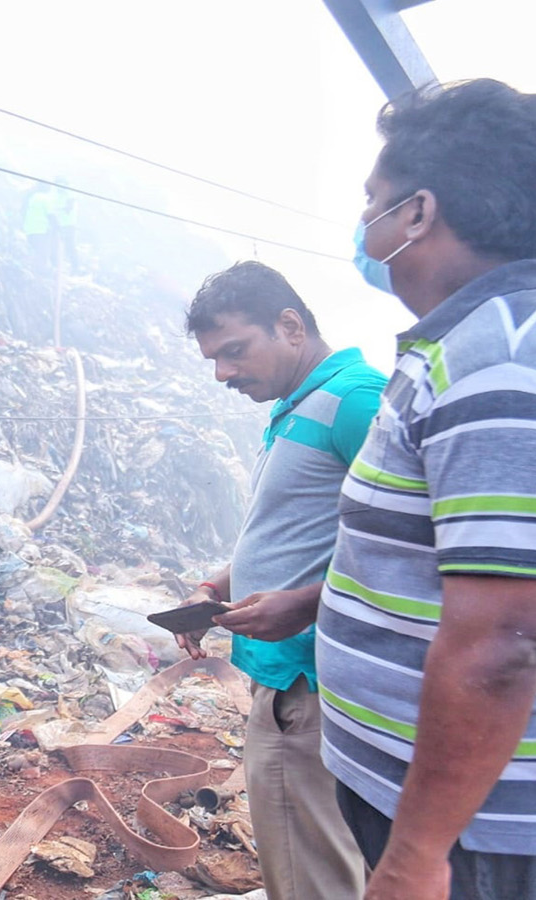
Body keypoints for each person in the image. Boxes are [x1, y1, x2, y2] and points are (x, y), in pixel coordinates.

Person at [317, 78, 536, 900]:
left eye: (374, 201)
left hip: (483, 836)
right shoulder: (466, 348)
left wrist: (417, 853)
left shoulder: (505, 362)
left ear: (419, 214)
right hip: (447, 817)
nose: (366, 221)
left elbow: (506, 641)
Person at [180, 261, 384, 900]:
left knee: (310, 879)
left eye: (235, 351)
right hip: (291, 680)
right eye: (214, 359)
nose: (223, 373)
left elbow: (419, 545)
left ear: (291, 326)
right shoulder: (298, 405)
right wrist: (217, 587)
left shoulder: (357, 402)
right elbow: (299, 530)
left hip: (315, 685)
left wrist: (306, 605)